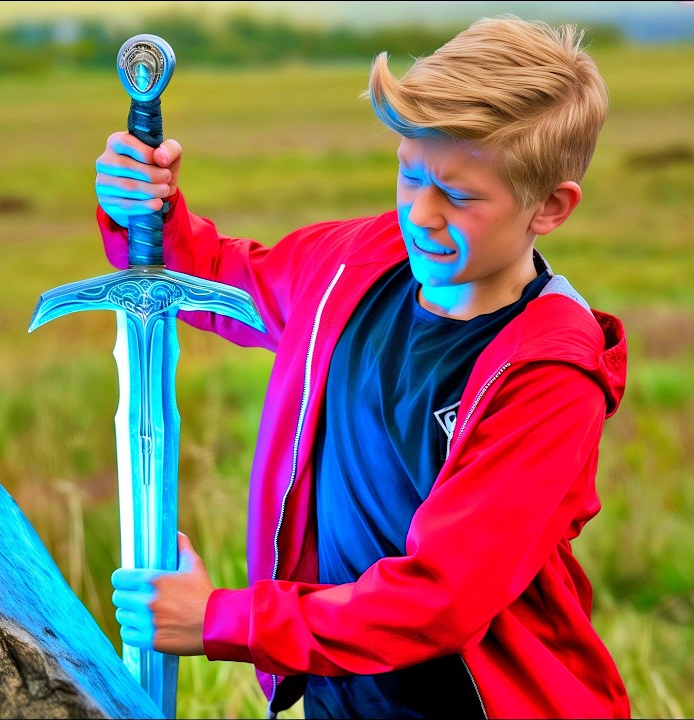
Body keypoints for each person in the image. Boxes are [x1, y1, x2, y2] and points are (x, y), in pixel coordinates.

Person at [101, 15, 629, 719]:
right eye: (410, 175)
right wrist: (144, 212)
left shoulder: (549, 374)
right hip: (341, 698)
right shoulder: (355, 262)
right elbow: (207, 278)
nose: (423, 214)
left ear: (551, 207)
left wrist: (225, 620)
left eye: (461, 195)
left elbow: (440, 598)